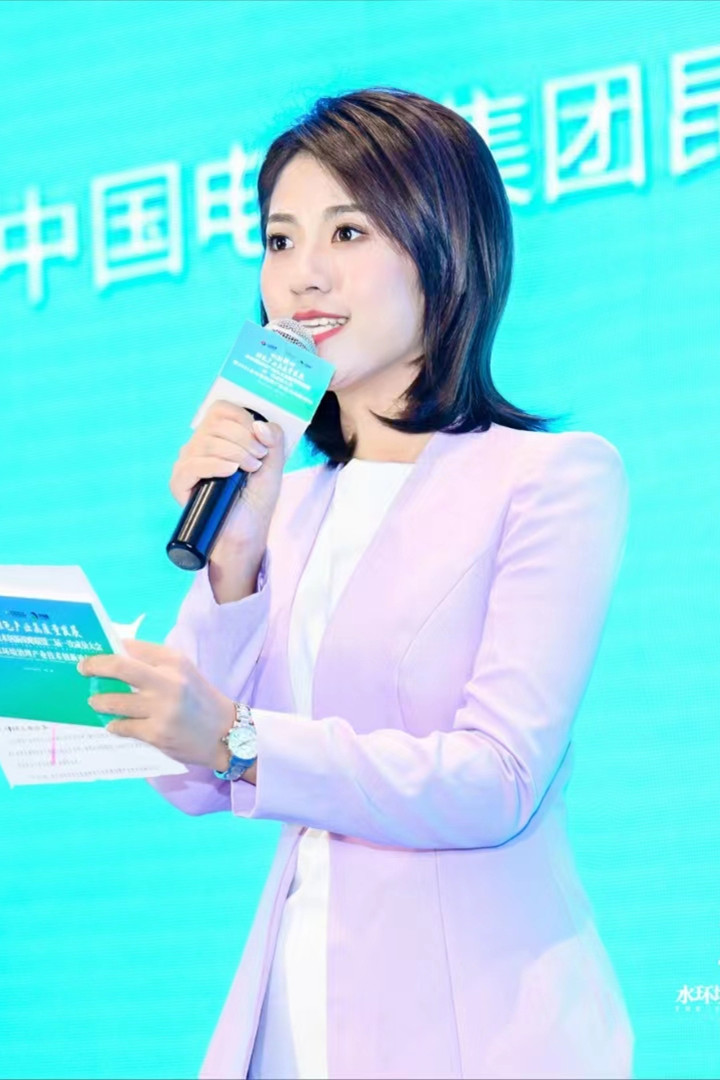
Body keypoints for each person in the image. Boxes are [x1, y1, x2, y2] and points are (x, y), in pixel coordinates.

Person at [82, 88, 635, 1078]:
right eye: (279, 240)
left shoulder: (550, 479)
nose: (303, 275)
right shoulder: (284, 504)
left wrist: (240, 740)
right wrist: (234, 558)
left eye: (347, 231)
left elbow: (498, 781)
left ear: (446, 250)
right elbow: (187, 778)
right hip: (291, 1028)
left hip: (476, 1034)